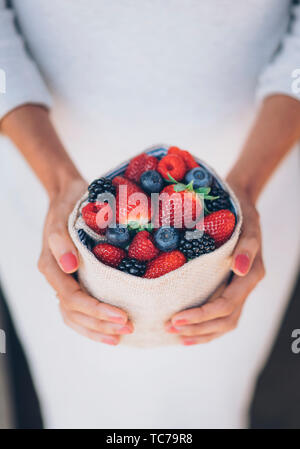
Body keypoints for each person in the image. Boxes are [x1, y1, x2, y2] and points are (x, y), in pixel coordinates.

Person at [0, 0, 299, 429]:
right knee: (82, 403)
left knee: (208, 402)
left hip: (256, 164)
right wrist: (58, 182)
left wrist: (246, 188)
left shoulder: (234, 205)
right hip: (45, 167)